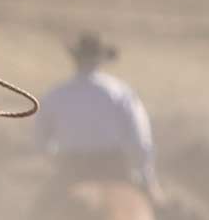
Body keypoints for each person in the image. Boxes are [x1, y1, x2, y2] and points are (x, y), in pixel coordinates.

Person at [35, 33, 157, 197]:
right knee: (157, 211)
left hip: (71, 169)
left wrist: (54, 158)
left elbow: (41, 139)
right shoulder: (121, 92)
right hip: (114, 168)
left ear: (75, 59)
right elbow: (140, 139)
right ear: (101, 59)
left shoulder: (56, 94)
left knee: (39, 212)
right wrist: (145, 176)